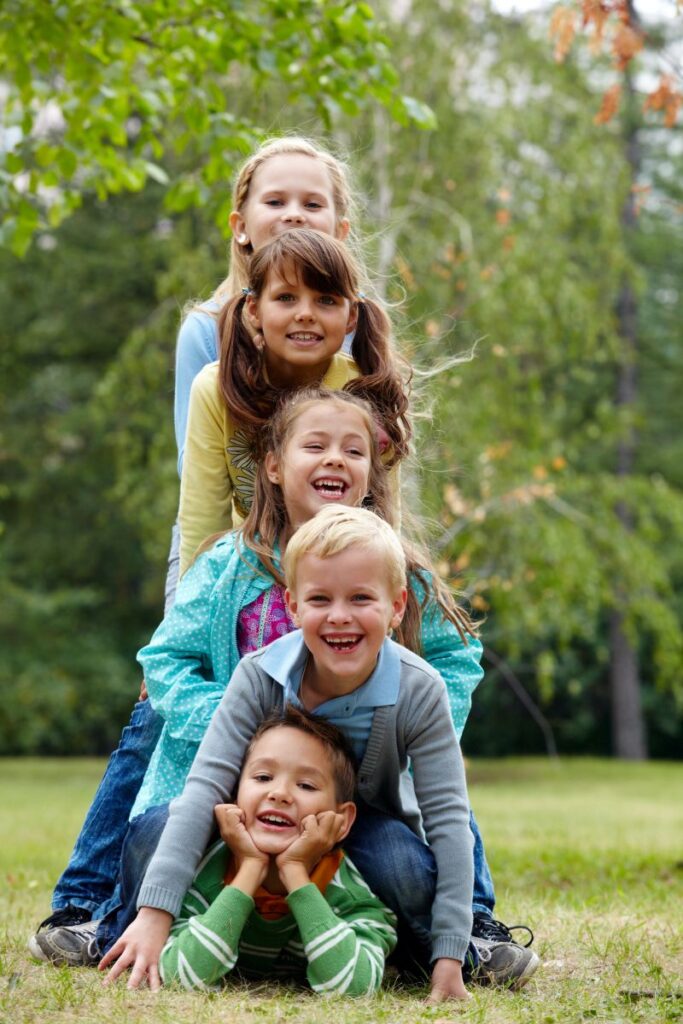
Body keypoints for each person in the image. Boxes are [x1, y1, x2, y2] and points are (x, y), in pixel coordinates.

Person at [103, 505, 480, 1003]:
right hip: (261, 816)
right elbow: (205, 786)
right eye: (320, 598)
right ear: (293, 605)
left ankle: (411, 954)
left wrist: (450, 956)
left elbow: (451, 822)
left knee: (402, 865)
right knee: (153, 831)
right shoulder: (260, 674)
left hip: (363, 825)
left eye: (361, 598)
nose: (339, 615)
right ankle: (144, 934)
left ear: (396, 607)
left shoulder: (419, 691)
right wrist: (155, 912)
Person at [159, 706, 397, 994]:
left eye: (306, 785)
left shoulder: (350, 896)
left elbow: (353, 989)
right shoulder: (206, 872)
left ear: (342, 820)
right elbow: (180, 976)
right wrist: (249, 868)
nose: (280, 793)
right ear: (234, 795)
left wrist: (294, 870)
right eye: (262, 778)